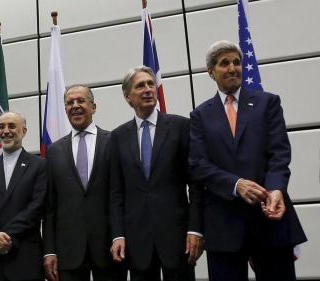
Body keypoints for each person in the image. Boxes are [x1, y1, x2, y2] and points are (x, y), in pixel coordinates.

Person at [189, 41, 306, 281]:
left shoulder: (268, 103)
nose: (233, 68)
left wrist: (276, 189)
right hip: (224, 225)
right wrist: (236, 184)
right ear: (211, 72)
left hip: (269, 217)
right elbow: (198, 164)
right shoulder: (200, 115)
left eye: (237, 62)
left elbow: (279, 153)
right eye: (224, 63)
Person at [109, 66, 204, 281]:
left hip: (177, 238)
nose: (148, 89)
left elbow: (196, 184)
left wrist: (195, 229)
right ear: (128, 97)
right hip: (137, 242)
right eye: (140, 86)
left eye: (151, 84)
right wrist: (118, 235)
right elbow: (116, 193)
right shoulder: (117, 137)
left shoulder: (181, 126)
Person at [43, 84, 115, 281]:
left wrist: (121, 236)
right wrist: (49, 250)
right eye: (69, 103)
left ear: (93, 106)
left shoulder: (113, 141)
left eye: (81, 101)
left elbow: (120, 195)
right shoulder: (54, 151)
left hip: (109, 248)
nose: (75, 106)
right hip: (68, 251)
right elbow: (50, 207)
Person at [0, 111, 46, 281]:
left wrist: (6, 235)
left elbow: (37, 206)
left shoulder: (39, 165)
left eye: (12, 126)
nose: (6, 131)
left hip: (25, 257)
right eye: (1, 127)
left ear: (24, 131)